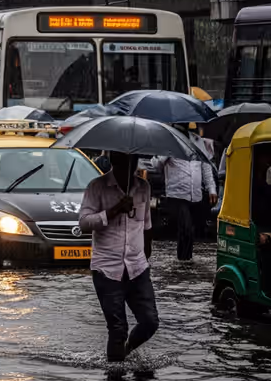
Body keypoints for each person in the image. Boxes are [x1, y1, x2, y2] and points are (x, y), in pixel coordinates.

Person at [78, 151, 158, 363]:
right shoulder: (97, 187)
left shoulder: (143, 188)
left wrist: (146, 257)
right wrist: (113, 211)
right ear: (114, 160)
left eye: (131, 162)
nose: (128, 168)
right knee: (117, 328)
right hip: (106, 269)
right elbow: (84, 223)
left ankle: (127, 351)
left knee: (150, 322)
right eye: (122, 162)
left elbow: (146, 225)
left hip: (137, 267)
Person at [148, 127, 216, 261]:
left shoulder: (197, 141)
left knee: (191, 230)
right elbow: (155, 165)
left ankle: (186, 260)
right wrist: (165, 153)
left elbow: (205, 166)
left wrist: (211, 188)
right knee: (186, 228)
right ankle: (183, 260)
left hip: (195, 194)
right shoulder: (168, 140)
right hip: (176, 194)